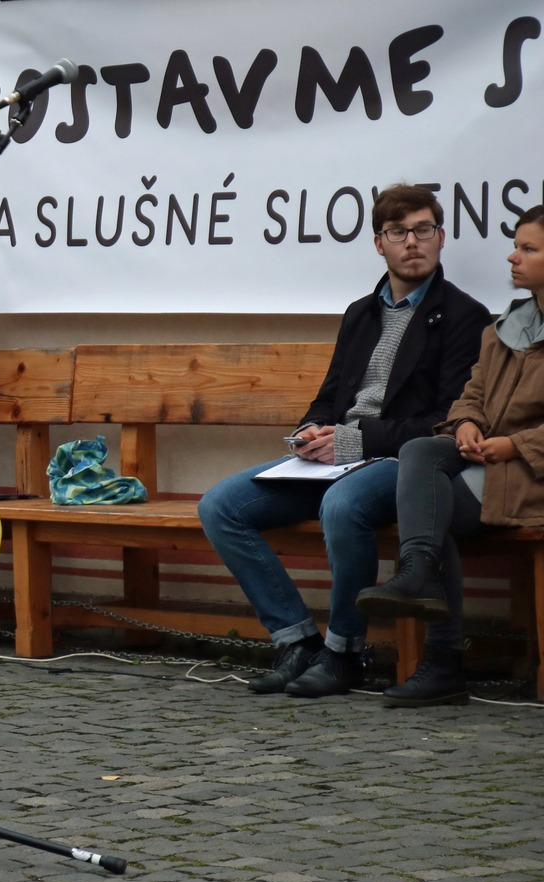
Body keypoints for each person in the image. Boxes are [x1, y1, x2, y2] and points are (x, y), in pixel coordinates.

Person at [197, 185, 490, 698]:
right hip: (334, 457)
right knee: (221, 506)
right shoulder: (360, 313)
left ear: (442, 237)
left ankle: (344, 653)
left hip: (399, 462)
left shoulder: (465, 316)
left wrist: (355, 441)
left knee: (342, 505)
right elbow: (330, 396)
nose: (412, 242)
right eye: (398, 232)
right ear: (379, 244)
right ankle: (296, 641)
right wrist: (310, 430)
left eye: (424, 229)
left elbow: (445, 421)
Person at [357, 205, 544, 706]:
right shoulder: (506, 327)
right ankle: (419, 573)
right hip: (490, 462)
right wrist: (465, 424)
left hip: (530, 473)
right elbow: (471, 394)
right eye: (516, 246)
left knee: (430, 510)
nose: (513, 257)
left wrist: (514, 445)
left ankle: (442, 662)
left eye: (528, 249)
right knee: (421, 450)